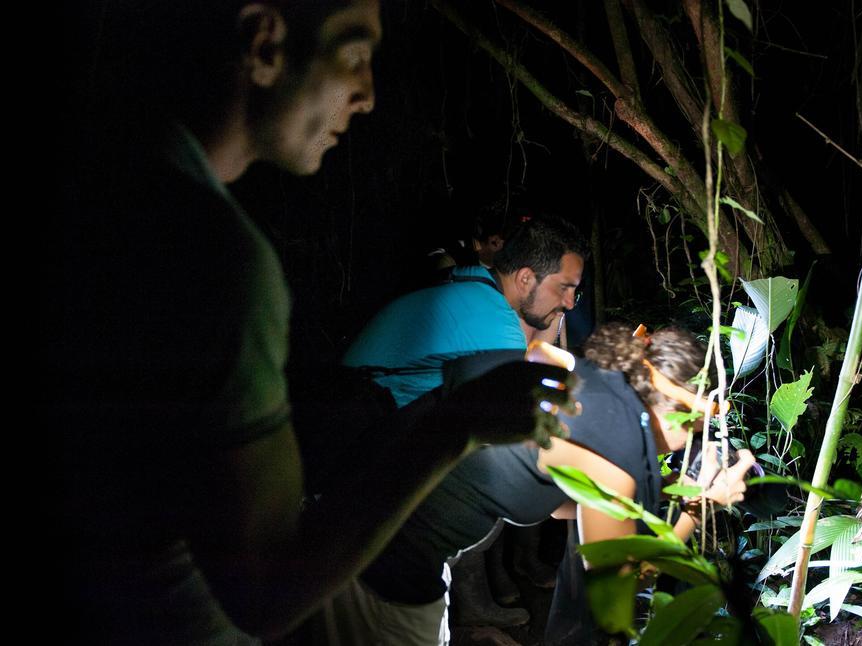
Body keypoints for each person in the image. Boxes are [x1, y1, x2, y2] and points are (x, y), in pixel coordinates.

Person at [52, 2, 571, 644]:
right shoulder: (212, 256)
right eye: (353, 55)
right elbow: (263, 590)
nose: (368, 96)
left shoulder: (104, 190)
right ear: (266, 45)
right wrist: (454, 424)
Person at [331, 323, 757, 644]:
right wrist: (699, 506)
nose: (695, 438)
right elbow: (614, 594)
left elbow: (561, 503)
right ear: (674, 409)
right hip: (382, 561)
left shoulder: (596, 387)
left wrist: (667, 485)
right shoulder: (615, 446)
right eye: (699, 423)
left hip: (356, 500)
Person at [342, 215, 587, 407]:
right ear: (525, 279)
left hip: (346, 405)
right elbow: (517, 416)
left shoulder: (467, 281)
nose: (570, 302)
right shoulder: (496, 324)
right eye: (564, 288)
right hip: (352, 437)